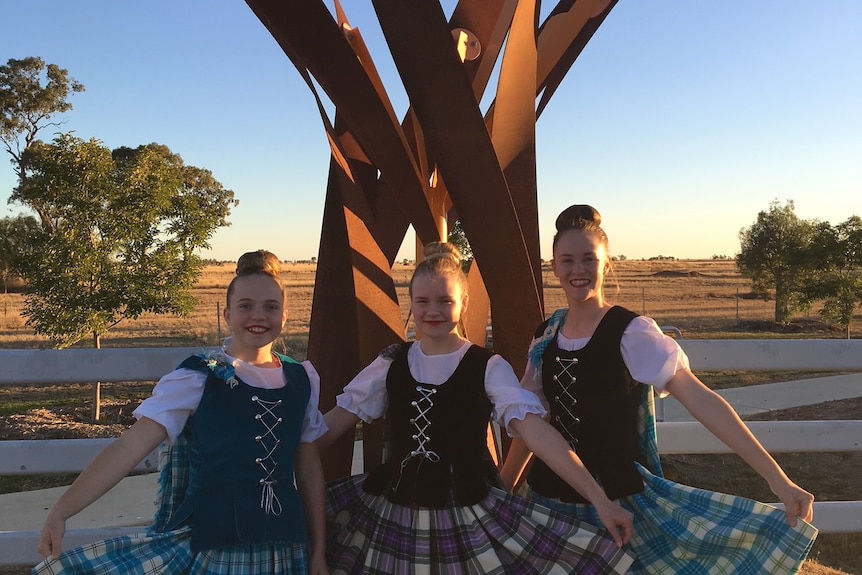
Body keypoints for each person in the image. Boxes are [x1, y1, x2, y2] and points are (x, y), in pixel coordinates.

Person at [500, 204, 819, 574]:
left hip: (622, 500)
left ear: (606, 264)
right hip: (549, 500)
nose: (578, 270)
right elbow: (531, 426)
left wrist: (777, 479)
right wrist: (504, 488)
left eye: (589, 259)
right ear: (554, 266)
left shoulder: (632, 333)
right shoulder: (546, 337)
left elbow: (702, 400)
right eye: (567, 260)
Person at [317, 241, 635, 574]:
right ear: (411, 303)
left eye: (445, 301)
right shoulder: (391, 363)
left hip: (469, 512)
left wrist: (599, 498)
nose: (433, 311)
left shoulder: (487, 366)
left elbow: (537, 434)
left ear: (464, 303)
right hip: (393, 510)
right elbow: (335, 423)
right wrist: (288, 460)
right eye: (422, 301)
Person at [34, 250, 329, 575]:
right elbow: (128, 448)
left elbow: (309, 469)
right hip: (216, 550)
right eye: (246, 306)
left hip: (285, 549)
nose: (258, 315)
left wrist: (318, 553)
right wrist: (61, 510)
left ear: (285, 315)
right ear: (228, 314)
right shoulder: (197, 377)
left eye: (270, 307)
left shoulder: (302, 379)